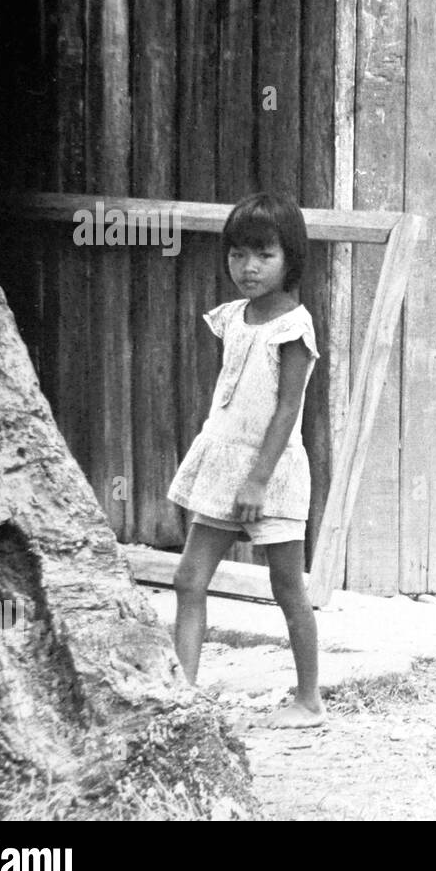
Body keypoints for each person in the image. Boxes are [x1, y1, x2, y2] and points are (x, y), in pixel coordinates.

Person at [167, 192, 324, 728]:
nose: (248, 267)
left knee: (287, 588)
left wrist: (258, 480)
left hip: (272, 474)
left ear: (290, 259)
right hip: (223, 465)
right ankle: (182, 696)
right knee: (189, 578)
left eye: (264, 255)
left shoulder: (293, 327)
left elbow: (286, 411)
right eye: (237, 255)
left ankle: (309, 700)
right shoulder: (234, 317)